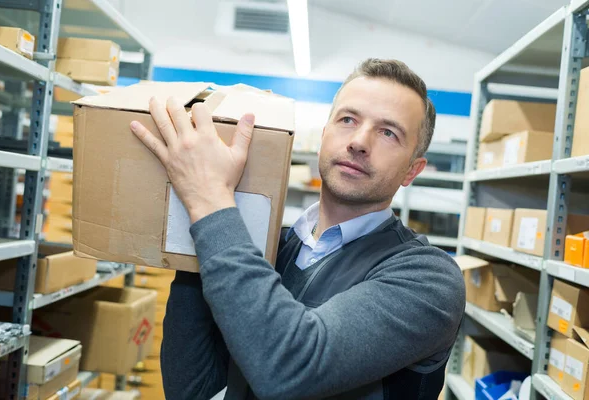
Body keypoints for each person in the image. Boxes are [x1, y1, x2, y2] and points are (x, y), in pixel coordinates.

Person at [129, 58, 466, 400]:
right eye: (348, 120)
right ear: (324, 136)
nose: (360, 141)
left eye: (388, 132)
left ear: (412, 170)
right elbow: (192, 389)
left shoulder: (429, 278)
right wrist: (196, 228)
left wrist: (209, 199)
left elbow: (289, 369)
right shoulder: (268, 247)